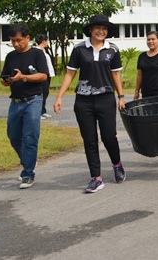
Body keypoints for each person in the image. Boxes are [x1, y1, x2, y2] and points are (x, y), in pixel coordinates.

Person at [54, 14, 126, 193]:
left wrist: (121, 96)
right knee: (89, 139)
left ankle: (117, 164)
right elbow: (70, 73)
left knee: (109, 136)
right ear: (91, 30)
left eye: (104, 28)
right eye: (97, 28)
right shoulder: (79, 49)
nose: (101, 31)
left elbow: (115, 74)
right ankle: (96, 178)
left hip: (106, 99)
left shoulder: (112, 49)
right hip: (83, 101)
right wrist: (59, 97)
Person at [1, 23, 48, 189]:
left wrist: (24, 77)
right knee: (13, 136)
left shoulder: (37, 54)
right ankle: (29, 160)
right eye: (13, 41)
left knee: (30, 137)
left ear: (27, 38)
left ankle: (28, 174)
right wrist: (6, 81)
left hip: (33, 100)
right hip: (15, 101)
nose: (16, 44)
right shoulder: (10, 56)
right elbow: (4, 79)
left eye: (19, 40)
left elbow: (43, 76)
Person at [135, 31, 158, 99]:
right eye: (148, 39)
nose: (150, 41)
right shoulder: (142, 56)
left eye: (153, 39)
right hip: (146, 93)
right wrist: (137, 91)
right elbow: (139, 75)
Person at [34, 34, 55, 120]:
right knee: (41, 94)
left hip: (48, 74)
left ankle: (43, 111)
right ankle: (38, 112)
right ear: (44, 41)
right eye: (47, 41)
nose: (48, 43)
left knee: (45, 93)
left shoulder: (43, 51)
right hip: (42, 75)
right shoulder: (37, 51)